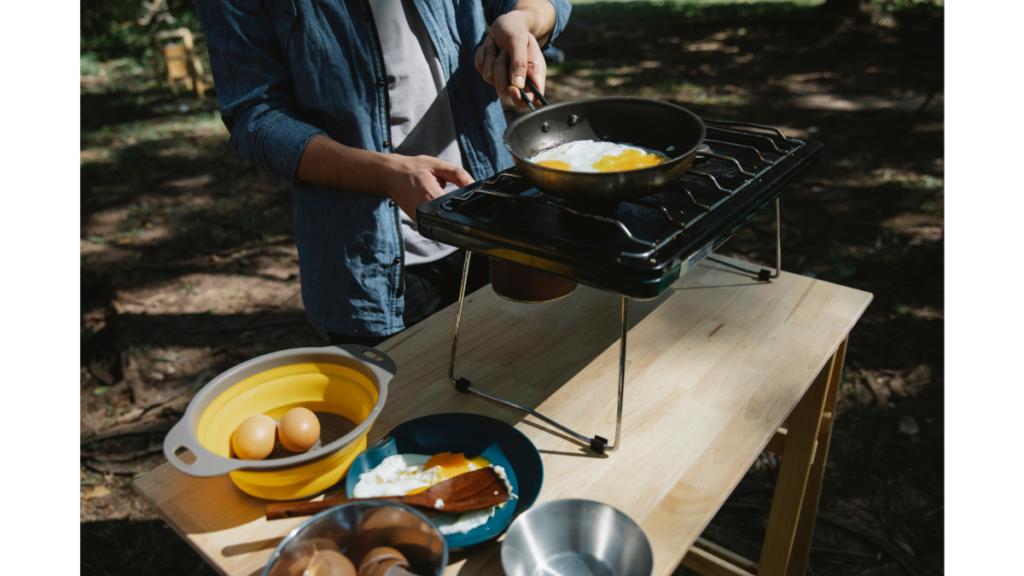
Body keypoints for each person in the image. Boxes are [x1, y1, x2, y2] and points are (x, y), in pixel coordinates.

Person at [196, 0, 572, 347]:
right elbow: (256, 118)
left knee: (517, 383)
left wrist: (524, 21)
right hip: (368, 263)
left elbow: (544, 4)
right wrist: (382, 174)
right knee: (406, 414)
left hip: (495, 224)